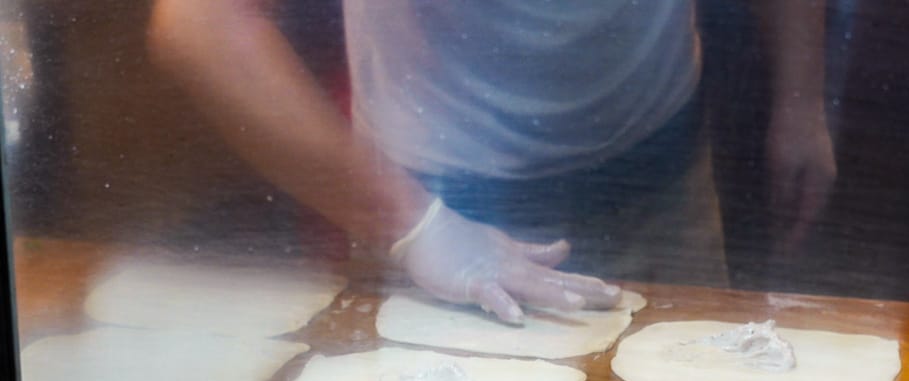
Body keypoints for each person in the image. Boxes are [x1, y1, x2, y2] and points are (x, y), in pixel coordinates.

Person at [147, 0, 835, 324]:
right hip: (439, 208)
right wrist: (416, 226)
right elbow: (201, 23)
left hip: (662, 168)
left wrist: (801, 98)